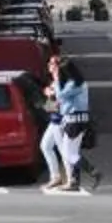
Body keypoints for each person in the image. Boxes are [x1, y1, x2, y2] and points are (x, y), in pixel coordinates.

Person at [56, 61, 97, 191]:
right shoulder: (82, 83)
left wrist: (57, 81)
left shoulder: (73, 84)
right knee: (72, 152)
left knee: (68, 153)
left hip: (73, 120)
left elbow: (60, 96)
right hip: (81, 120)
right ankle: (73, 181)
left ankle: (92, 171)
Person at [39, 54, 72, 189]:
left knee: (63, 151)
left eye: (52, 64)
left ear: (58, 67)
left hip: (60, 121)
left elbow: (62, 102)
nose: (49, 66)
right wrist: (49, 95)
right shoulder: (54, 81)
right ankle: (56, 177)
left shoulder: (63, 81)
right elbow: (50, 106)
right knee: (45, 146)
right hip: (54, 121)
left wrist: (51, 95)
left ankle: (71, 179)